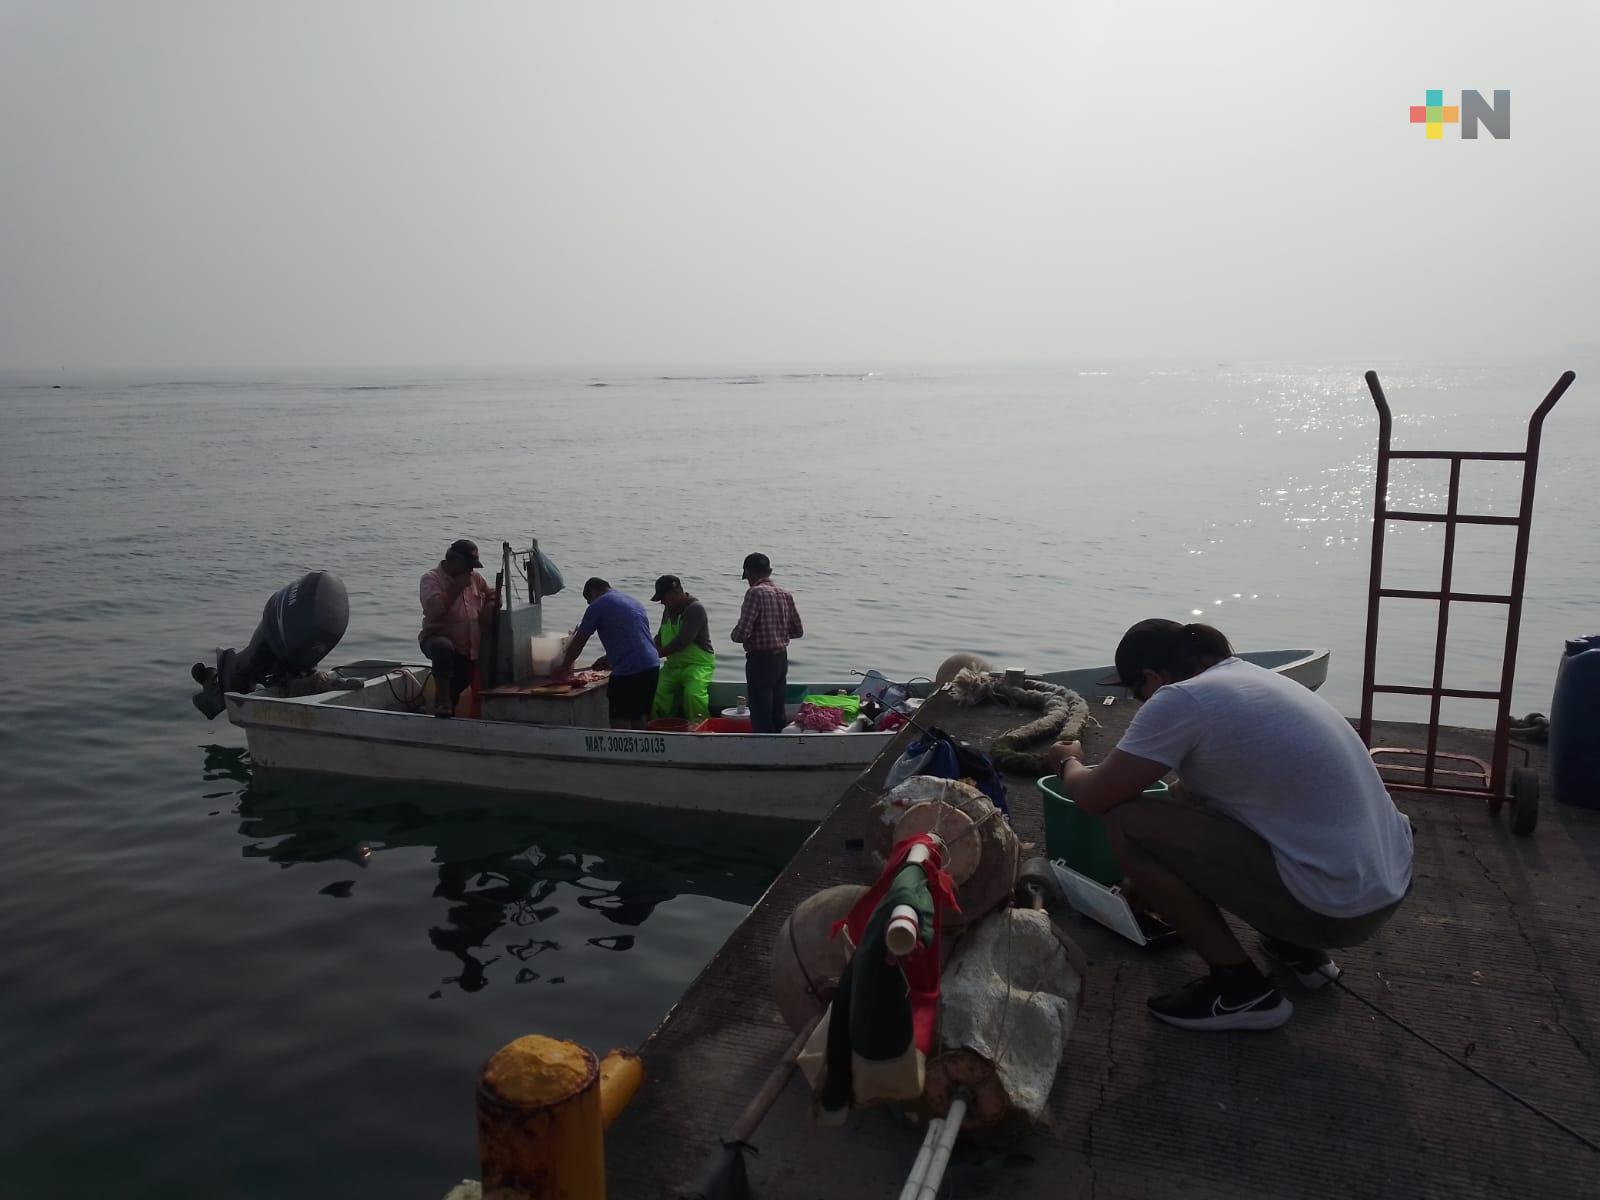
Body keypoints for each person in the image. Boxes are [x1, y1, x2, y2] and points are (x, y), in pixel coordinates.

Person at [1046, 618, 1413, 1032]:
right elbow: (1195, 798)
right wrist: (1145, 881)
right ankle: (1297, 948)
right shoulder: (1252, 679)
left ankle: (1242, 990)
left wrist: (1067, 762)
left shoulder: (1182, 700)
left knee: (1128, 823)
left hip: (1336, 908)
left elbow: (1096, 797)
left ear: (1151, 677)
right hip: (1382, 886)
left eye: (1137, 693)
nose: (1142, 703)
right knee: (1187, 796)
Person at [553, 577, 661, 729]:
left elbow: (579, 640)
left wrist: (564, 666)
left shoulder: (598, 605)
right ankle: (639, 752)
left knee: (620, 718)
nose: (589, 604)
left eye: (588, 600)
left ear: (592, 592)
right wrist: (608, 657)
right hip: (652, 665)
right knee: (639, 716)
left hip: (630, 670)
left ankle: (620, 752)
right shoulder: (631, 601)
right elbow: (634, 638)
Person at [418, 539, 498, 717]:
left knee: (461, 680)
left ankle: (442, 706)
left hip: (467, 647)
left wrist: (490, 605)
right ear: (453, 562)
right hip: (437, 639)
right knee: (443, 648)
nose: (471, 570)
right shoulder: (431, 579)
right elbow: (435, 609)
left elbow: (492, 593)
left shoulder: (475, 578)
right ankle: (444, 703)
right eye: (468, 565)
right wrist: (456, 587)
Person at [729, 552, 803, 733]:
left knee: (761, 711)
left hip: (760, 660)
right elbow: (797, 631)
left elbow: (742, 633)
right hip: (781, 658)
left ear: (749, 572)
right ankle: (780, 745)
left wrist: (734, 635)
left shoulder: (755, 593)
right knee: (777, 709)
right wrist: (777, 634)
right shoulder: (785, 594)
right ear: (769, 571)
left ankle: (764, 750)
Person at [649, 575, 716, 723]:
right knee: (653, 693)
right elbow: (659, 637)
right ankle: (659, 727)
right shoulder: (667, 610)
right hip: (672, 667)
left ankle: (701, 729)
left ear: (676, 592)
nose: (662, 602)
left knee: (693, 695)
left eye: (663, 597)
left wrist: (654, 655)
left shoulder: (695, 609)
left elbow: (682, 642)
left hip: (698, 665)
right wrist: (646, 651)